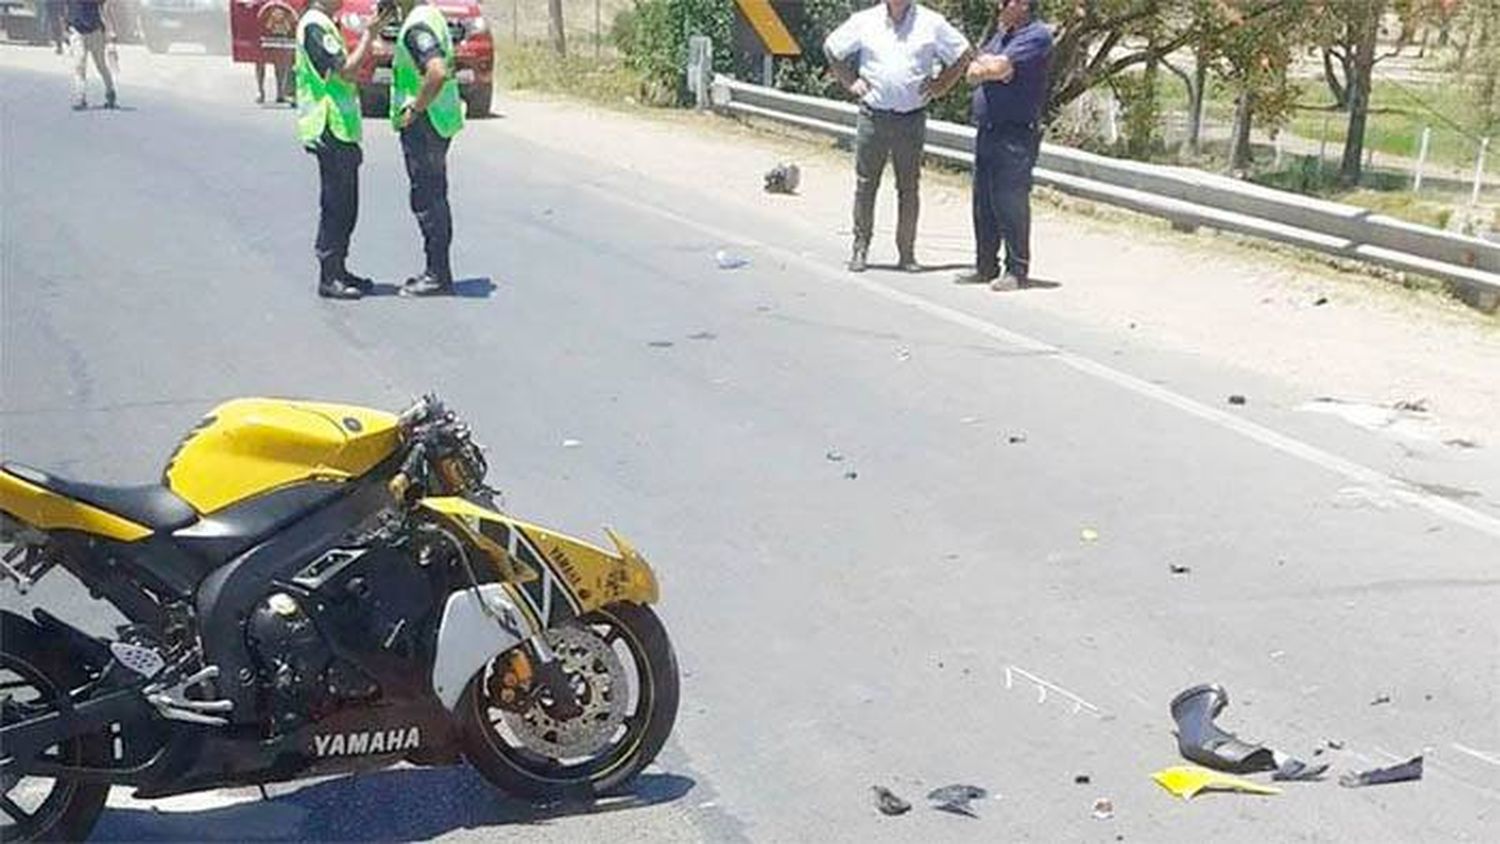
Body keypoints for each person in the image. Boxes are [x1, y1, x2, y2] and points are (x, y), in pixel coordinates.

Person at [824, 0, 972, 273]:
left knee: (908, 188)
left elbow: (963, 53)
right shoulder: (865, 20)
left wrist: (941, 85)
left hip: (911, 117)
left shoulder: (931, 22)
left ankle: (906, 253)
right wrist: (849, 81)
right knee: (866, 184)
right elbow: (832, 48)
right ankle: (860, 247)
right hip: (873, 115)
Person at [954, 0, 1053, 291]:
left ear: (1023, 4)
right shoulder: (1002, 36)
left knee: (1010, 202)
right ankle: (985, 265)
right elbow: (973, 72)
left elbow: (995, 67)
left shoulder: (1036, 35)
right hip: (988, 129)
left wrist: (993, 68)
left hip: (1015, 133)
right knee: (983, 201)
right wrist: (992, 68)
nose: (999, 4)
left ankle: (1016, 270)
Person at [295, 0, 390, 299]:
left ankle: (340, 267)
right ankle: (329, 274)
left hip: (342, 128)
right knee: (336, 205)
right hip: (328, 126)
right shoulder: (314, 25)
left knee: (348, 204)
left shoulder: (326, 23)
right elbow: (345, 71)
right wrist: (369, 35)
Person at [391, 0, 464, 296]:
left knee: (428, 198)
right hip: (440, 119)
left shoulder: (415, 26)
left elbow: (436, 71)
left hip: (426, 123)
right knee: (436, 194)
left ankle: (437, 274)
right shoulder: (432, 15)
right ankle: (437, 270)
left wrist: (416, 109)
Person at [65, 0, 118, 110]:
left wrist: (110, 31)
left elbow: (105, 8)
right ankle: (80, 97)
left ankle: (110, 92)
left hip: (95, 31)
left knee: (101, 65)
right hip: (77, 31)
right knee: (79, 65)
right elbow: (64, 9)